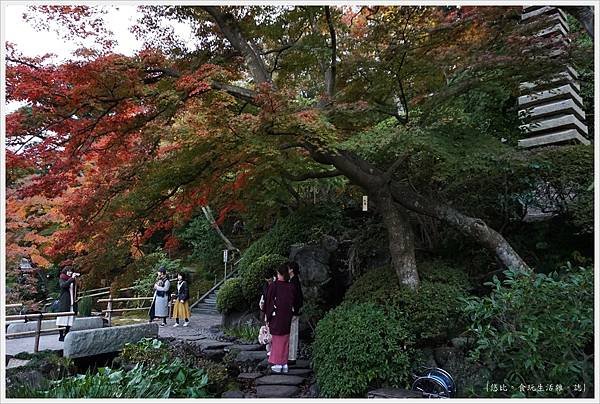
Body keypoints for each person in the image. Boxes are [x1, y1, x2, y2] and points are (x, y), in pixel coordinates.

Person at [264, 263, 296, 373]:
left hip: (277, 316)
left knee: (277, 339)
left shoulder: (274, 285)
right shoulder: (290, 286)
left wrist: (267, 316)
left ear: (279, 274)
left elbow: (269, 301)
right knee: (285, 339)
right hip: (287, 316)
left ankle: (278, 363)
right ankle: (284, 363)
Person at [56, 266, 79, 341]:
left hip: (72, 302)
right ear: (65, 271)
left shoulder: (72, 280)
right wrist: (71, 279)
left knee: (70, 319)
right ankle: (61, 335)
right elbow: (63, 285)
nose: (70, 272)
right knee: (62, 318)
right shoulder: (62, 278)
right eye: (68, 271)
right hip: (65, 302)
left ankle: (66, 334)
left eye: (71, 271)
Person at [287, 261, 303, 365]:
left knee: (292, 333)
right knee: (293, 333)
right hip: (295, 310)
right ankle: (291, 356)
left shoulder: (293, 281)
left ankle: (291, 357)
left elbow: (294, 297)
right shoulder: (294, 280)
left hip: (293, 311)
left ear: (291, 269)